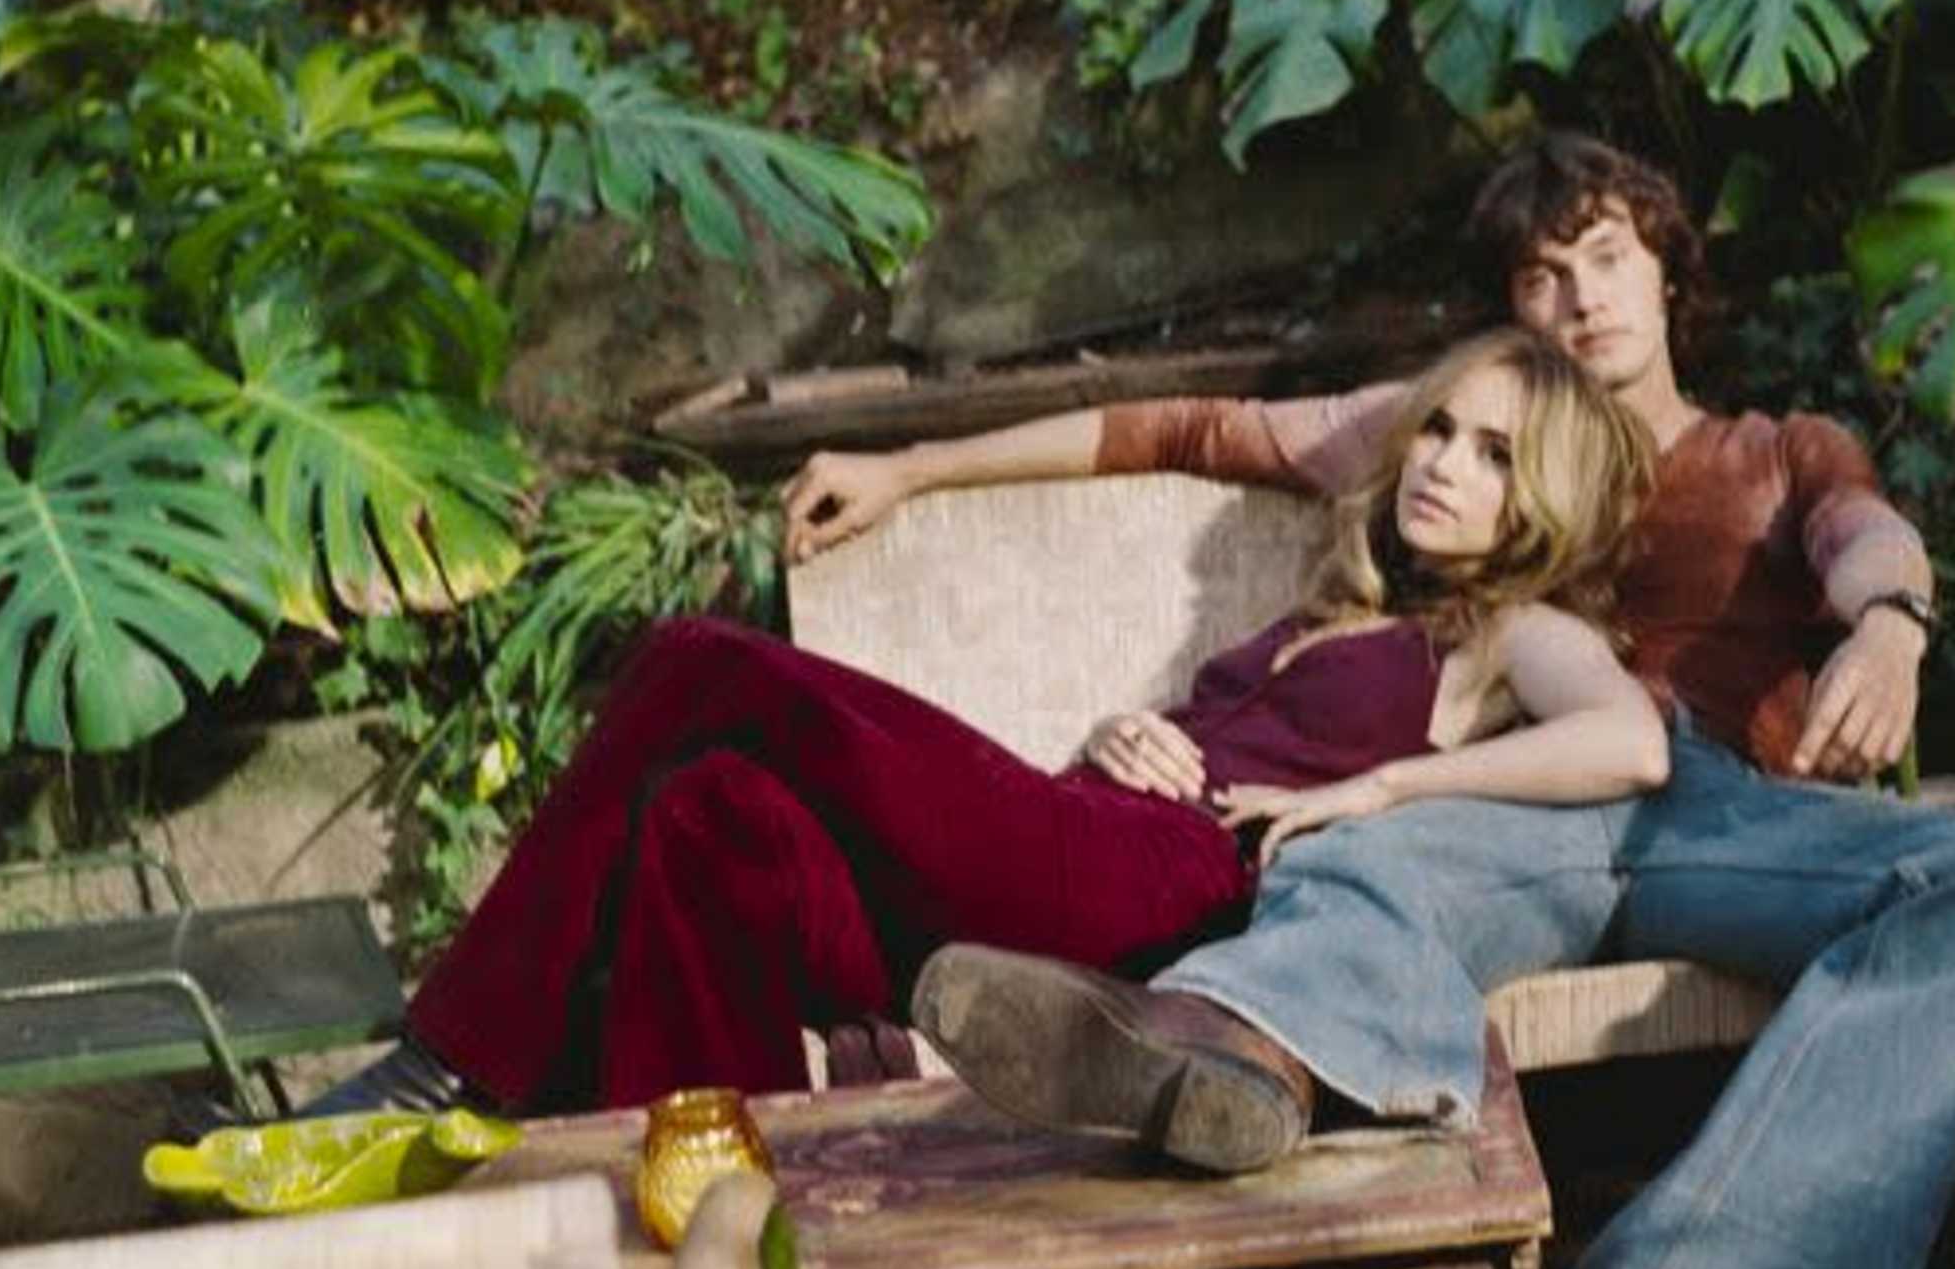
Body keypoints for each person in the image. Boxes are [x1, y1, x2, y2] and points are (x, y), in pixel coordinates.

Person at [790, 132, 1955, 1269]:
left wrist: (1894, 626)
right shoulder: (1461, 425)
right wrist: (911, 469)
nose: (1581, 299)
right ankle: (1217, 1051)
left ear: (1670, 271)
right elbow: (1175, 430)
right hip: (1499, 792)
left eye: (1609, 259)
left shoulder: (1770, 451)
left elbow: (1868, 537)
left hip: (1704, 807)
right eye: (1541, 276)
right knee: (1375, 857)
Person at [297, 330, 1665, 1122]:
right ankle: (733, 1224)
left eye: (1494, 456)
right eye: (1440, 432)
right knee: (711, 824)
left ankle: (456, 1059)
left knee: (704, 663)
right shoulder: (1346, 597)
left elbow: (1629, 742)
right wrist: (1135, 722)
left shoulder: (1501, 634)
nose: (1441, 465)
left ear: (1540, 497)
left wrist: (1380, 791)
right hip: (1075, 847)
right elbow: (1172, 436)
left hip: (1161, 892)